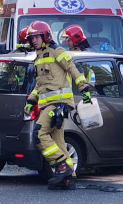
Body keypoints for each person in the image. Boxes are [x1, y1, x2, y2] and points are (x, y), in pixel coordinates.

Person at [24, 21, 92, 190]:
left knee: (39, 134)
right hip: (47, 104)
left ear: (45, 36)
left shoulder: (57, 51)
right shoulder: (39, 57)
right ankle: (69, 178)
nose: (34, 41)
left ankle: (62, 166)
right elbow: (40, 84)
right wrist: (31, 100)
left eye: (37, 37)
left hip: (58, 104)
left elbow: (73, 68)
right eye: (32, 38)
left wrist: (84, 88)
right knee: (58, 141)